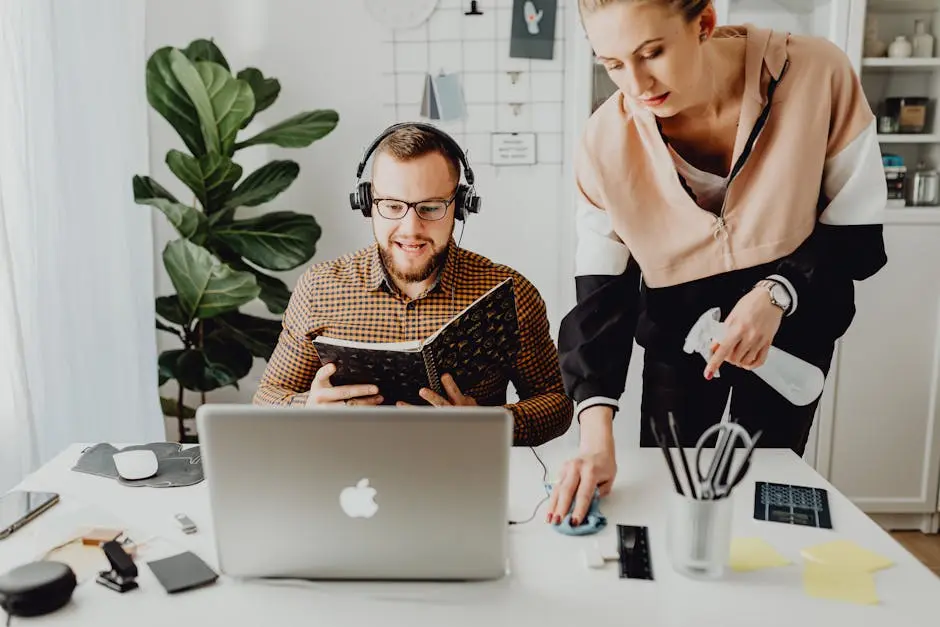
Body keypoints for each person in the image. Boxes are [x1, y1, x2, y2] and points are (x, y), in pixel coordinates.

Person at [547, 0, 887, 525]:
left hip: (793, 332)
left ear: (704, 22)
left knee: (769, 499)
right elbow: (601, 300)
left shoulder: (818, 74)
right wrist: (595, 437)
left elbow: (857, 234)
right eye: (612, 63)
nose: (636, 84)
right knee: (673, 498)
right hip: (678, 340)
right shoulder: (603, 144)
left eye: (652, 52)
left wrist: (777, 292)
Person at [253, 122, 573, 447]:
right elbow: (267, 398)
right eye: (392, 206)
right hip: (350, 483)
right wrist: (306, 409)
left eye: (431, 207)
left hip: (464, 475)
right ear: (367, 203)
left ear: (460, 206)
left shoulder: (511, 292)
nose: (410, 229)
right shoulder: (319, 289)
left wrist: (493, 423)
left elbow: (556, 404)